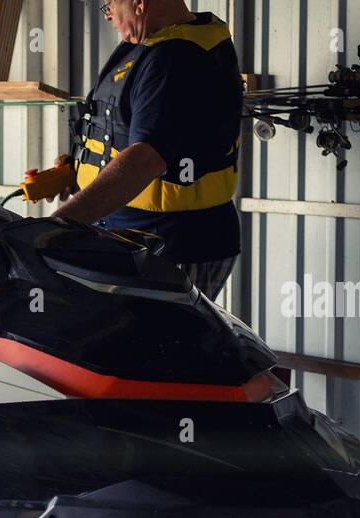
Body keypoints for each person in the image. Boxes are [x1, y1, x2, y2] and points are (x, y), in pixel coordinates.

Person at [56, 0, 243, 299]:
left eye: (109, 5)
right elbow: (122, 131)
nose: (109, 16)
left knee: (155, 344)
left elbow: (145, 159)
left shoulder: (176, 57)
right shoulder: (156, 42)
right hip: (135, 237)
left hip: (171, 244)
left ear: (139, 3)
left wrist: (58, 225)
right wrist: (78, 171)